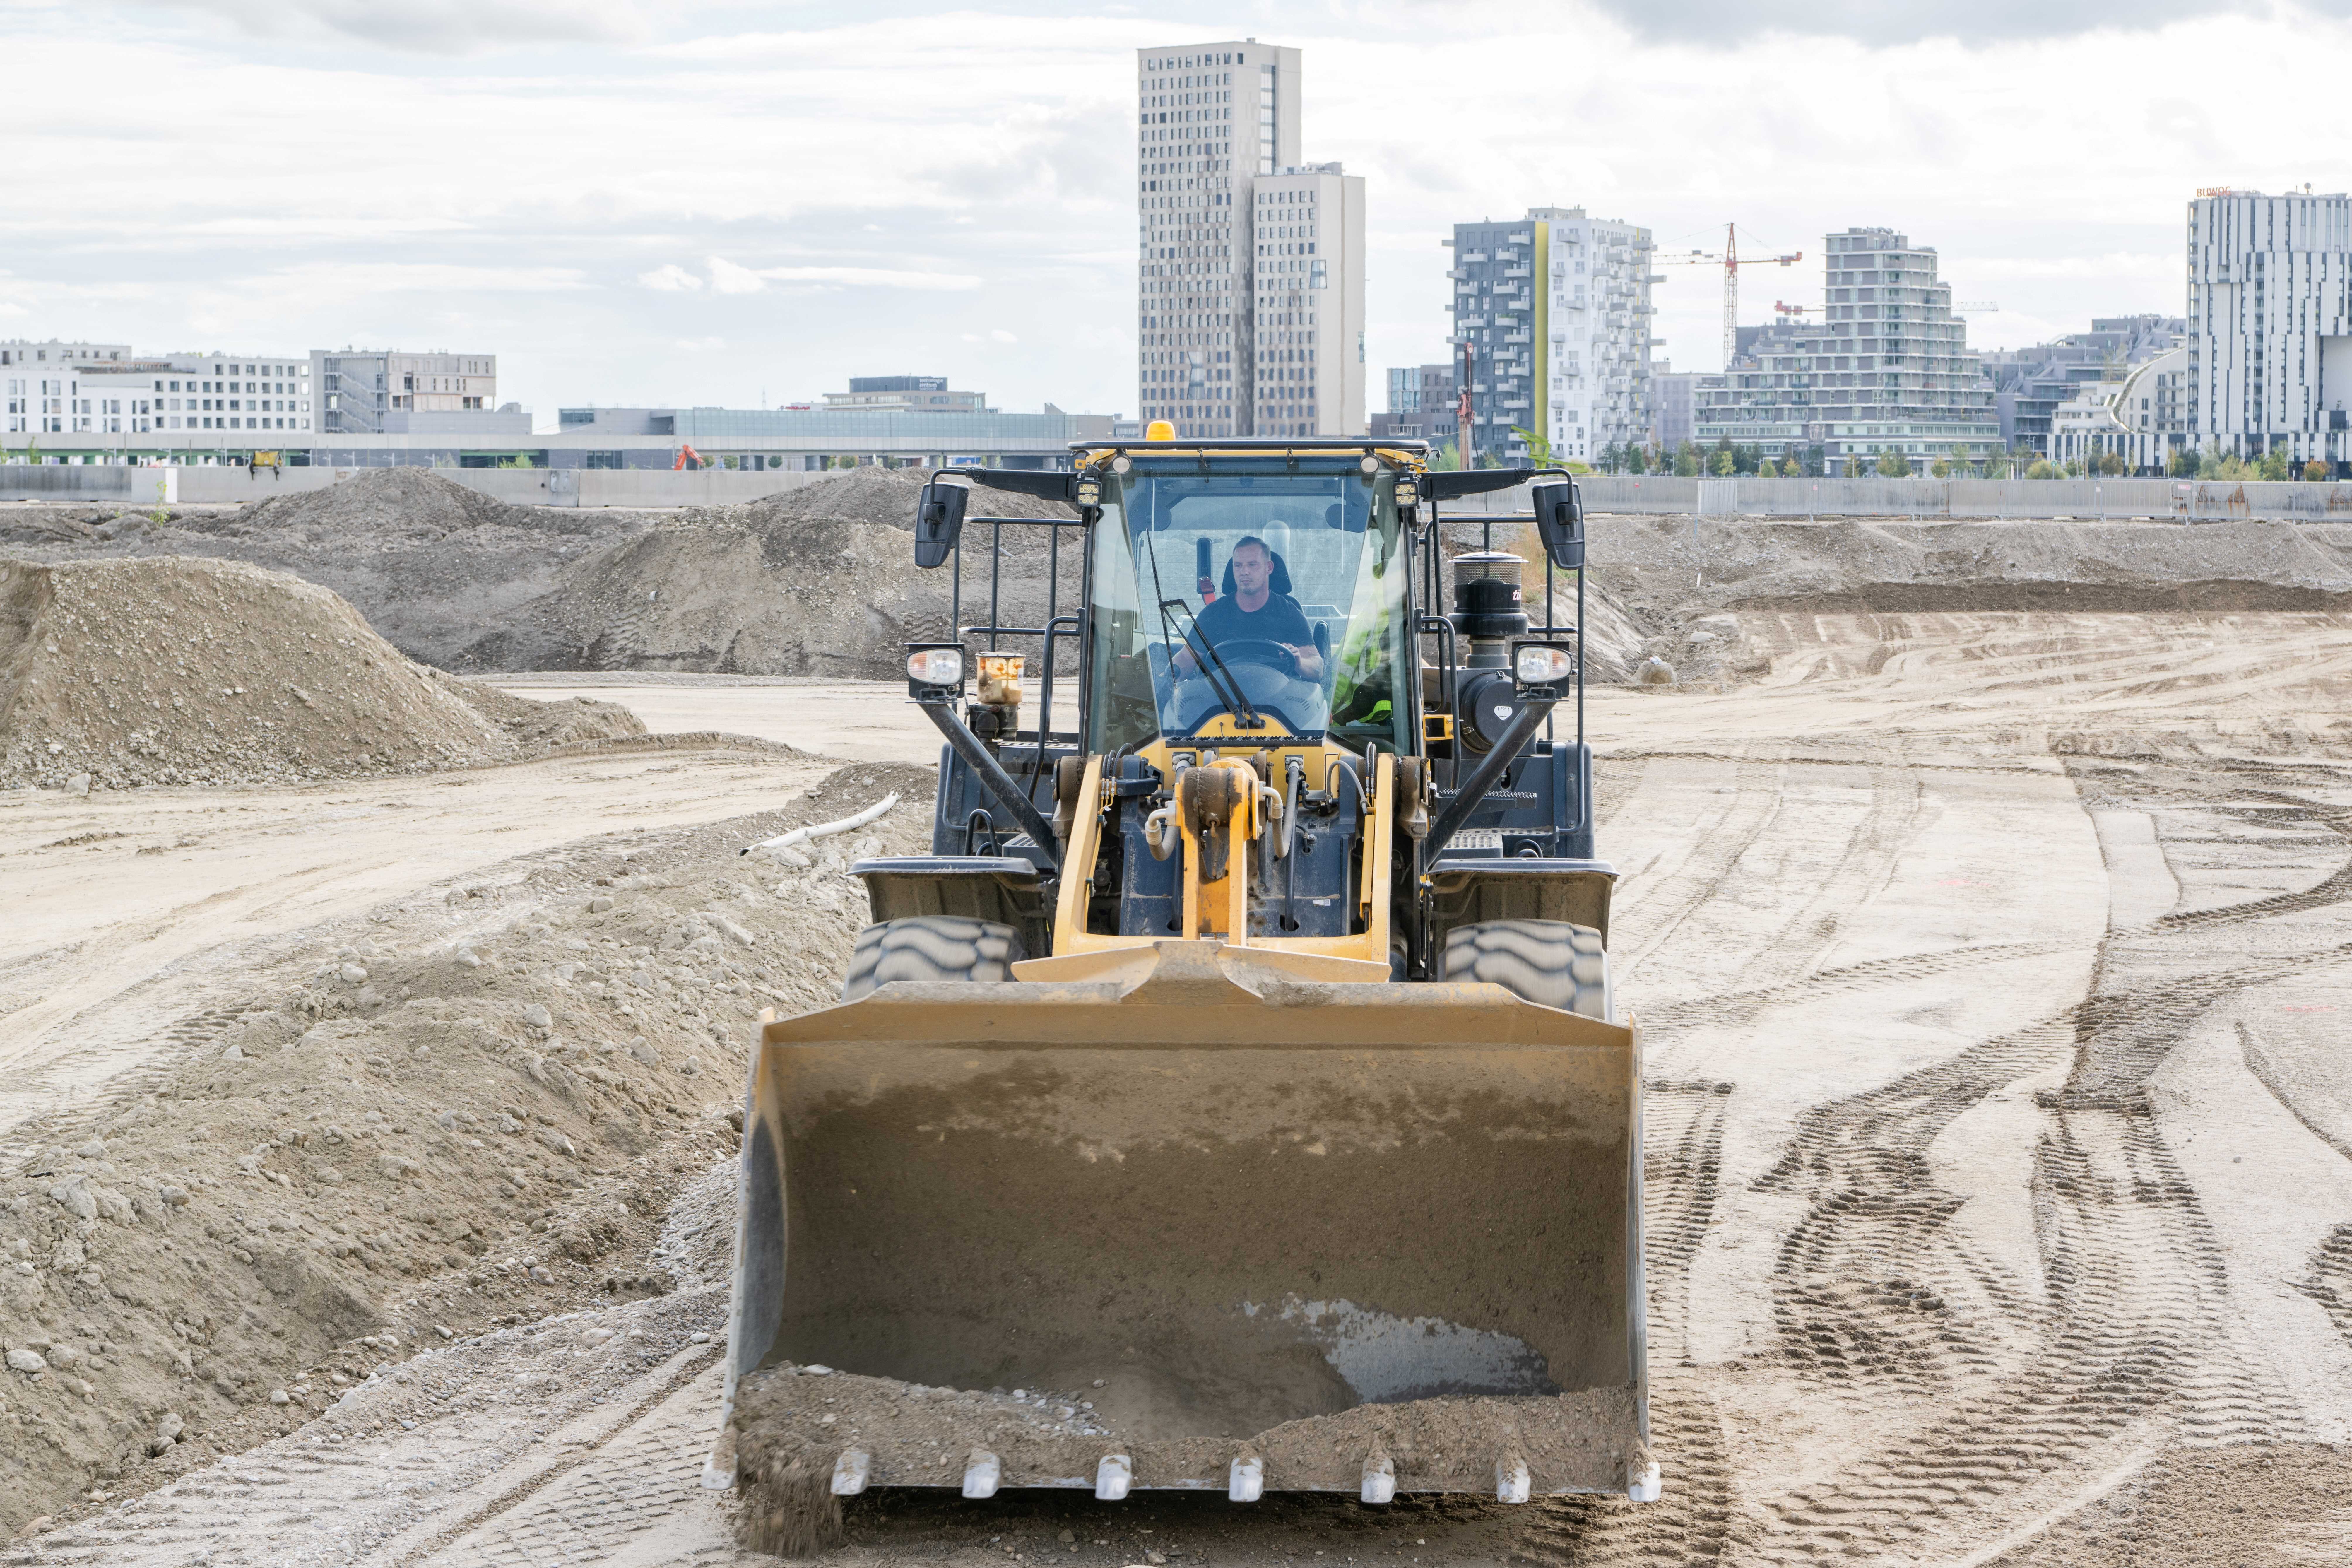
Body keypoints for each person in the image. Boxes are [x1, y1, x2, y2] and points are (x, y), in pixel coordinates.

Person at [1174, 536, 1323, 679]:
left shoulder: (1290, 614)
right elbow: (1185, 660)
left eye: (1252, 565)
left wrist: (1300, 663)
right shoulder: (1212, 615)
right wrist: (1162, 683)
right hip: (1221, 701)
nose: (1244, 572)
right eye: (1238, 565)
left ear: (1269, 568)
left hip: (1280, 702)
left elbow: (1317, 667)